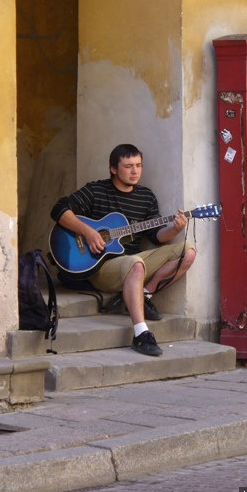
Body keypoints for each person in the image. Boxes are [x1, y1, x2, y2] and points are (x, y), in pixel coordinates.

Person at [50, 143, 196, 357]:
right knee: (134, 263)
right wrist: (89, 233)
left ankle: (143, 296)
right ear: (113, 169)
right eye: (128, 166)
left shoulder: (146, 197)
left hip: (132, 262)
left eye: (138, 165)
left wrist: (174, 228)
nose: (135, 171)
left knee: (188, 251)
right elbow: (59, 209)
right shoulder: (96, 190)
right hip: (100, 267)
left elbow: (155, 237)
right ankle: (141, 333)